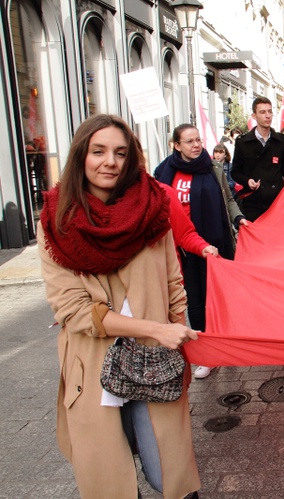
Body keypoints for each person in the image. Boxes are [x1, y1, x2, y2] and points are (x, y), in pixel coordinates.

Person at [38, 114, 200, 498]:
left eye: (120, 153)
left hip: (155, 363)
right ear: (81, 156)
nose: (109, 161)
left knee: (170, 477)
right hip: (92, 368)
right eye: (99, 151)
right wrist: (155, 329)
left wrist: (181, 345)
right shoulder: (57, 223)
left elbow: (173, 285)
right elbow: (74, 310)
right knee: (114, 483)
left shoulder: (152, 209)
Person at [154, 124, 246, 379]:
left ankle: (224, 342)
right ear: (176, 145)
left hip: (212, 246)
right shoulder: (164, 172)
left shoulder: (213, 168)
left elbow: (228, 199)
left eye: (198, 140)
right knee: (194, 302)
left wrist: (238, 219)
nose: (196, 145)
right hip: (179, 249)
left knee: (218, 298)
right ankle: (207, 353)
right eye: (189, 141)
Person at [232, 97, 284, 221]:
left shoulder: (280, 140)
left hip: (277, 202)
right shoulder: (243, 142)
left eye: (270, 112)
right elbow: (235, 172)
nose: (267, 116)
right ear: (254, 115)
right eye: (263, 112)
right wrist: (247, 181)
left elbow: (283, 168)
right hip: (253, 204)